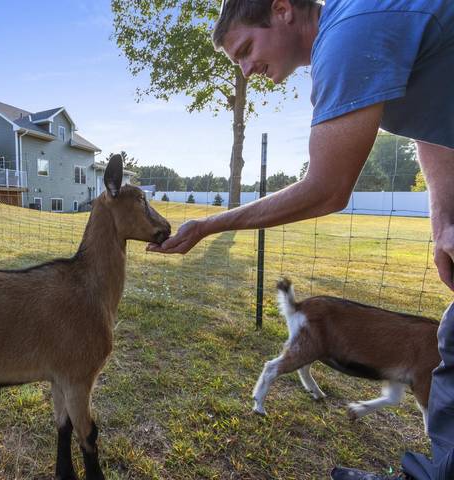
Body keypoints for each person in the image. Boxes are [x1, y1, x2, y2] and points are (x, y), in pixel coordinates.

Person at [146, 0, 454, 478]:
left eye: (246, 49)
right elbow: (436, 126)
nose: (246, 71)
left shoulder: (346, 39)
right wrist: (444, 224)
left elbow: (327, 188)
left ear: (283, 10)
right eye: (238, 64)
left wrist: (207, 225)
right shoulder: (362, 32)